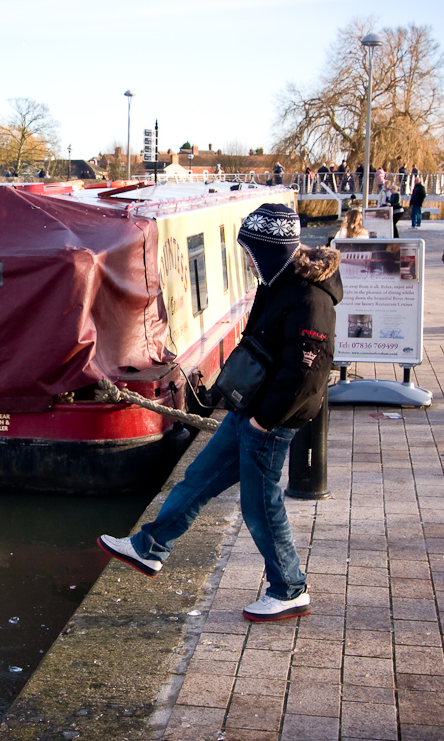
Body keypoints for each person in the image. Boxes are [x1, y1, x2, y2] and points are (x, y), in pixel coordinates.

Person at [98, 202, 343, 621]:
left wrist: (264, 420)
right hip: (252, 410)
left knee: (260, 505)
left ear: (271, 250)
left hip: (271, 422)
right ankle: (150, 549)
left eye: (252, 251)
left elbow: (305, 375)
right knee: (199, 478)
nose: (247, 259)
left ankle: (289, 589)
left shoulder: (309, 299)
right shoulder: (276, 283)